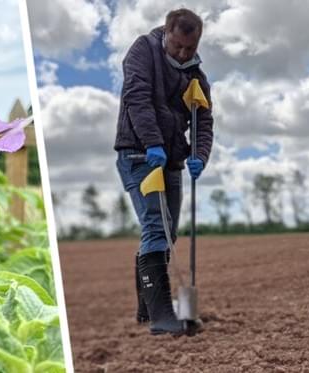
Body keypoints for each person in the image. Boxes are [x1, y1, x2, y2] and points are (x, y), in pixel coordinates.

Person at [114, 8, 214, 336]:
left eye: (191, 48)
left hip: (171, 161)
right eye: (178, 46)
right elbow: (137, 98)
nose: (184, 53)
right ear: (166, 34)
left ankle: (146, 306)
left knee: (168, 234)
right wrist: (153, 142)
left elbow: (204, 121)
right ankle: (162, 317)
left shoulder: (197, 76)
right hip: (138, 153)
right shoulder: (143, 50)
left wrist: (199, 155)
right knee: (157, 228)